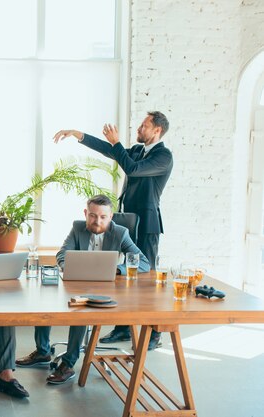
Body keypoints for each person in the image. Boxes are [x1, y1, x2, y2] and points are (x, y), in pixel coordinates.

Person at [53, 111, 172, 349]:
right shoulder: (139, 151)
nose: (139, 128)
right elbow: (112, 152)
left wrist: (116, 143)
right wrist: (79, 135)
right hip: (128, 219)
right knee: (126, 274)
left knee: (146, 276)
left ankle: (154, 333)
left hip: (147, 224)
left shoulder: (163, 156)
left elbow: (133, 169)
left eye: (144, 125)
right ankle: (122, 328)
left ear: (157, 130)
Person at [16, 195, 150, 384]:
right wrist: (65, 265)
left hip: (105, 289)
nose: (97, 221)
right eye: (93, 216)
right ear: (86, 213)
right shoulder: (78, 228)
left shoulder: (121, 233)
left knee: (82, 307)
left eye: (103, 217)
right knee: (44, 298)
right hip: (75, 282)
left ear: (110, 216)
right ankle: (43, 352)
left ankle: (68, 364)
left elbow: (143, 262)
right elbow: (62, 253)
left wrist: (117, 269)